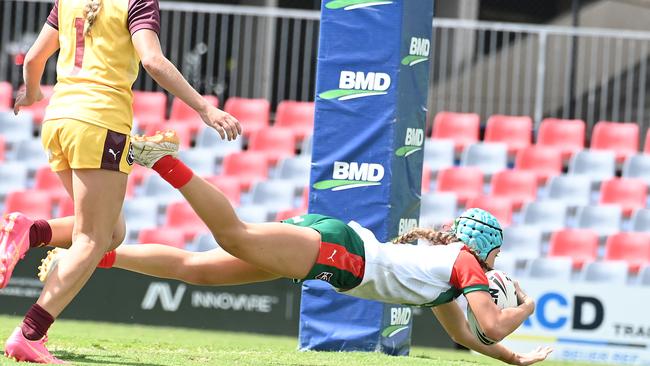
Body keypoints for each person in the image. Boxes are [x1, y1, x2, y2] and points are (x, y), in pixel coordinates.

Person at [32, 131, 552, 365]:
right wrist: (524, 307)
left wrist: (512, 358)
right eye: (495, 258)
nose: (494, 268)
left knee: (199, 271)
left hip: (333, 253)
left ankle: (97, 256)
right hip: (336, 252)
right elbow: (492, 320)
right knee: (232, 235)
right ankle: (167, 162)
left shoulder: (448, 280)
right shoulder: (464, 265)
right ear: (484, 251)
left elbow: (472, 335)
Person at [0, 0, 240, 362]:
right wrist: (205, 107)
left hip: (58, 120)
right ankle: (31, 333)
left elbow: (34, 58)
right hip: (100, 122)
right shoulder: (137, 1)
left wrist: (33, 92)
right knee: (94, 238)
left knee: (111, 233)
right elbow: (153, 61)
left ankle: (32, 232)